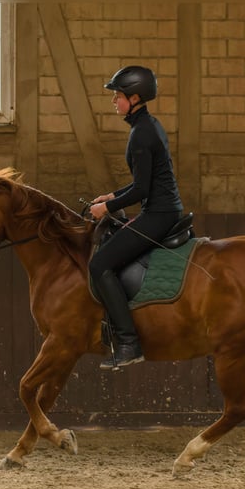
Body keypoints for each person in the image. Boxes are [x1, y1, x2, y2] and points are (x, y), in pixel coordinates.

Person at [88, 65, 184, 370]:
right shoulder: (147, 126)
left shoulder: (141, 134)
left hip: (158, 215)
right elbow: (145, 182)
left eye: (118, 96)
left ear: (135, 97)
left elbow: (143, 189)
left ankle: (129, 343)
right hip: (162, 209)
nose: (114, 102)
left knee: (100, 264)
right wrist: (112, 196)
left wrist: (107, 209)